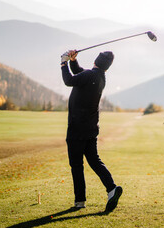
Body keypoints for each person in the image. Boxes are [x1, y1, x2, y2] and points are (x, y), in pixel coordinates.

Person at [60, 50, 122, 212]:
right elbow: (80, 74)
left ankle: (80, 201)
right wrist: (73, 61)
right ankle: (111, 188)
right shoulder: (99, 77)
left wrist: (63, 63)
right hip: (90, 128)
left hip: (76, 128)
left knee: (76, 165)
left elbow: (69, 80)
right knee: (94, 161)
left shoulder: (89, 76)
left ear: (96, 61)